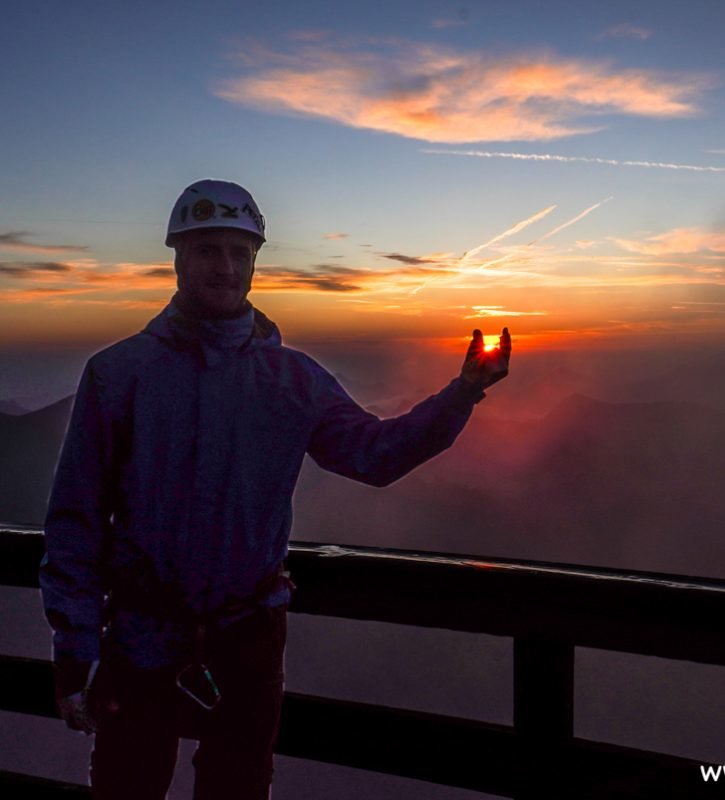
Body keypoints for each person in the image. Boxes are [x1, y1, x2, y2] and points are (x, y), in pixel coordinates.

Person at [39, 179, 511, 799]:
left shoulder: (293, 380)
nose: (225, 267)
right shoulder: (118, 375)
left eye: (240, 253)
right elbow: (75, 521)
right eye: (208, 250)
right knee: (131, 784)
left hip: (244, 643)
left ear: (256, 262)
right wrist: (76, 651)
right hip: (144, 636)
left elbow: (373, 455)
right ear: (178, 259)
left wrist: (463, 393)